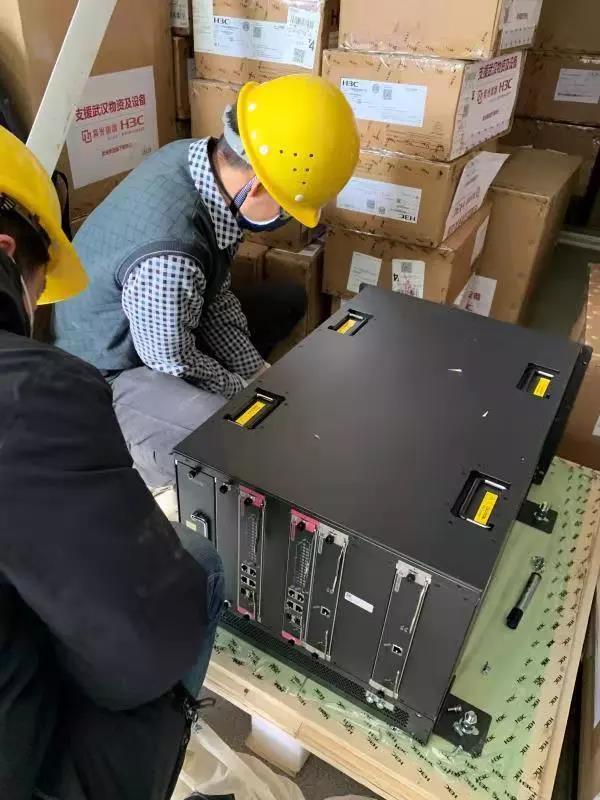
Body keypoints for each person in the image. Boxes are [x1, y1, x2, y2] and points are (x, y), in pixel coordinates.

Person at [0, 126, 223, 800]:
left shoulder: (193, 189)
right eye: (41, 284)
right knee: (196, 568)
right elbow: (138, 650)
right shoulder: (33, 390)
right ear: (6, 251)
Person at [53, 74, 359, 489]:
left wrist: (258, 372)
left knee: (286, 299)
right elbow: (172, 359)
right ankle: (143, 459)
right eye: (286, 208)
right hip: (105, 373)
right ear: (257, 188)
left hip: (157, 319)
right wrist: (242, 393)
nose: (287, 220)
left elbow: (215, 294)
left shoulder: (196, 161)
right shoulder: (172, 252)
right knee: (229, 438)